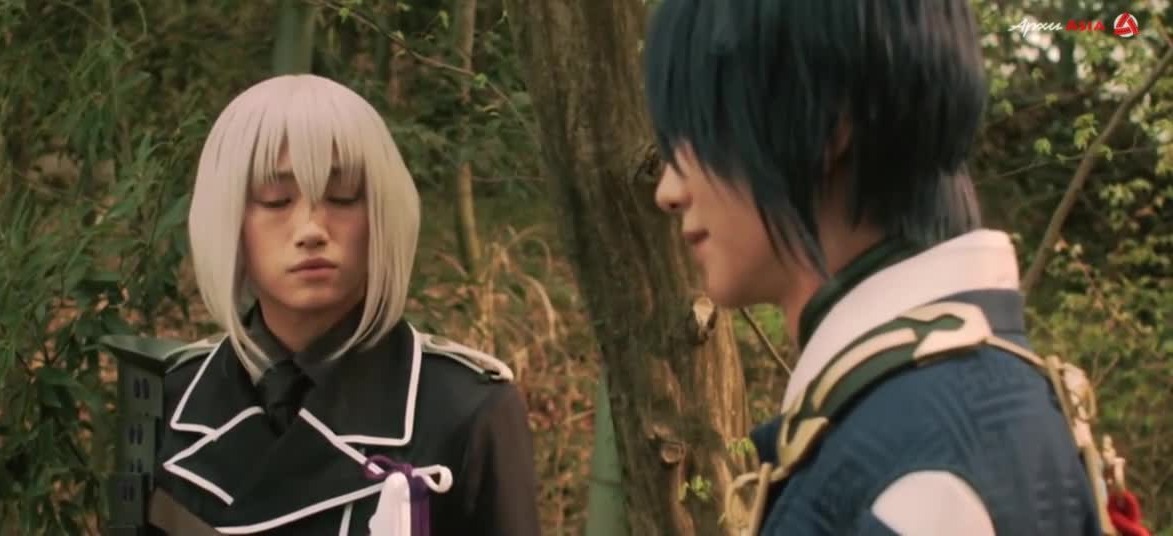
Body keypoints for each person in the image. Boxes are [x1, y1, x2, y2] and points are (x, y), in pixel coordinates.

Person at [642, 1, 1111, 534]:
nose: (668, 192)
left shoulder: (922, 476)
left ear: (823, 121)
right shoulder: (944, 410)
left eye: (696, 134)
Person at [106, 74, 541, 536]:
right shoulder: (166, 399)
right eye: (276, 200)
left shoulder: (465, 410)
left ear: (382, 216)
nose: (311, 229)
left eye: (342, 196)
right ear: (228, 221)